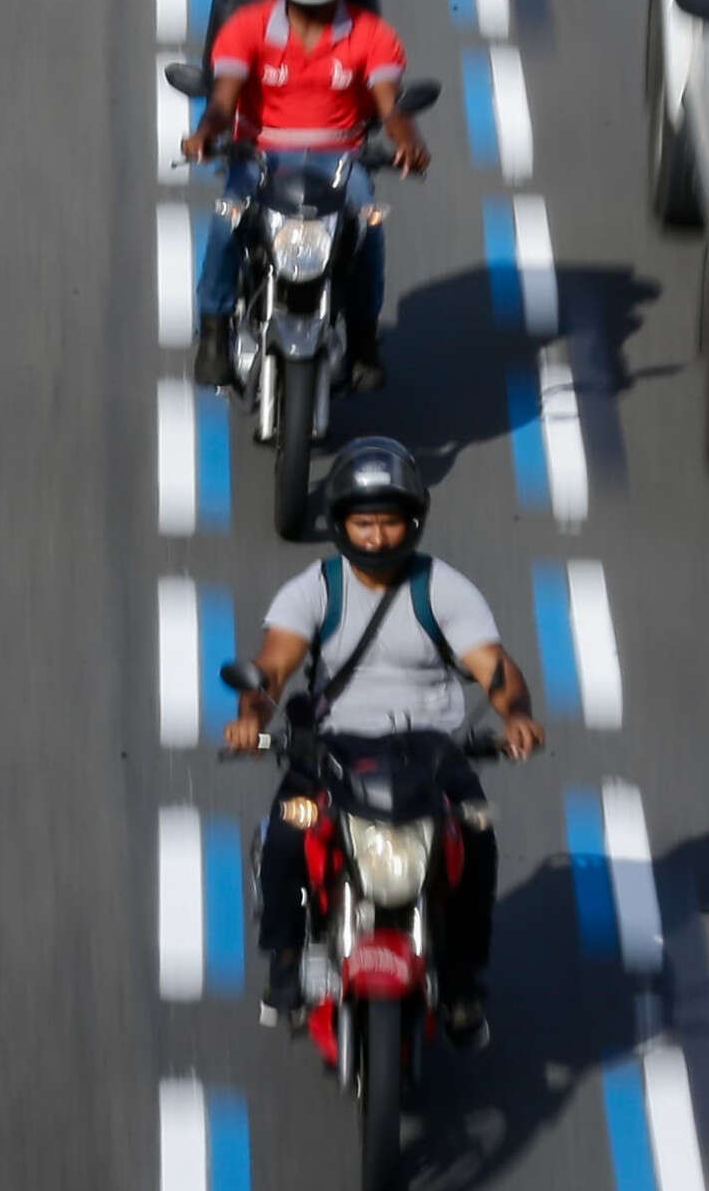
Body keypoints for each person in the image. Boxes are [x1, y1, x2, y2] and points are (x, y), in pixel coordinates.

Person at [219, 438, 539, 1041]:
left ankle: (465, 980)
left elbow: (493, 666)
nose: (376, 537)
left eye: (389, 522)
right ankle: (287, 961)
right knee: (288, 829)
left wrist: (515, 713)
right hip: (331, 748)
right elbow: (274, 666)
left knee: (477, 839)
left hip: (433, 751)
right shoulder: (313, 588)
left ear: (411, 523)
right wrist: (252, 720)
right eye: (363, 523)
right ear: (341, 523)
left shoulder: (443, 589)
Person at [181, 0, 427, 392]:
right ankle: (211, 331)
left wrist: (408, 141)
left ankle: (361, 340)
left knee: (370, 226)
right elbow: (223, 98)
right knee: (226, 217)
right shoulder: (246, 28)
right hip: (260, 158)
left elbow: (389, 106)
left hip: (341, 162)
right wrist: (207, 134)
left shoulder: (371, 35)